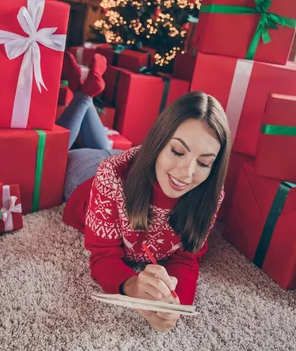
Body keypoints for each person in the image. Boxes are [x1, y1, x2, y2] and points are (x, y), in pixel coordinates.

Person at [58, 52, 232, 332]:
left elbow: (187, 256)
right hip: (87, 174)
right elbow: (103, 256)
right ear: (159, 141)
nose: (187, 173)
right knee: (63, 146)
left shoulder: (210, 193)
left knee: (102, 141)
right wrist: (133, 287)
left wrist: (175, 303)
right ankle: (83, 94)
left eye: (203, 162)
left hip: (130, 159)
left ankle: (85, 91)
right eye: (177, 151)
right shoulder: (110, 176)